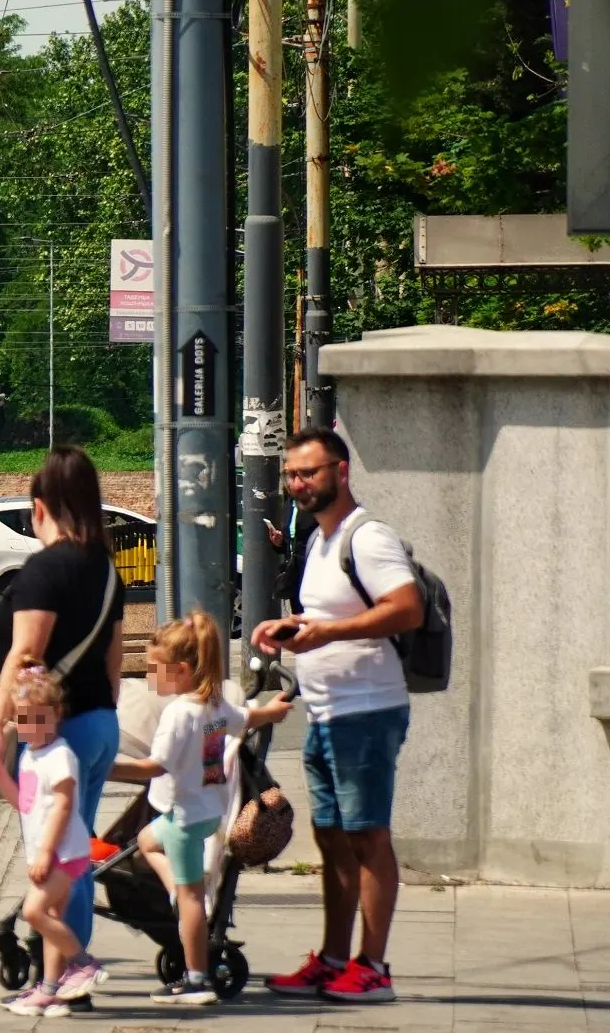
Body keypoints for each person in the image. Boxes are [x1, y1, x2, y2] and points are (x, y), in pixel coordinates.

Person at [252, 427, 423, 1004]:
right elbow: (327, 616)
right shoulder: (319, 540)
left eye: (310, 473)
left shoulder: (367, 537)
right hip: (325, 712)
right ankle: (332, 959)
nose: (298, 484)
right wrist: (292, 629)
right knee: (330, 838)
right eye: (292, 476)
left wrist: (326, 631)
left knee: (367, 835)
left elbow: (406, 609)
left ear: (341, 472)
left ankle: (373, 966)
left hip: (367, 712)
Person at [0, 447, 125, 962]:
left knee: (63, 858)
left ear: (40, 507)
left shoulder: (43, 569)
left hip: (63, 732)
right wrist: (103, 712)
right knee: (74, 848)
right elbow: (113, 657)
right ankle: (57, 966)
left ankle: (70, 974)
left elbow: (27, 651)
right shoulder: (105, 568)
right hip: (100, 722)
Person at [112, 611, 293, 1005]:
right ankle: (180, 891)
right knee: (146, 840)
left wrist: (105, 765)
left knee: (191, 899)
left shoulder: (180, 713)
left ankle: (196, 980)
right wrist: (274, 710)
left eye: (155, 669)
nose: (148, 677)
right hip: (207, 813)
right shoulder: (213, 705)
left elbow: (154, 766)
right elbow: (247, 717)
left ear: (179, 670)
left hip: (182, 817)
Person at [0, 666, 93, 1018]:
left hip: (64, 852)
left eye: (38, 718)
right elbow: (23, 803)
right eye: (24, 720)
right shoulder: (30, 755)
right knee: (51, 917)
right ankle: (51, 989)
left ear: (56, 715)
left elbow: (64, 803)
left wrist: (46, 852)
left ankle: (82, 964)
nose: (31, 726)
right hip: (50, 852)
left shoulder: (59, 754)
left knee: (33, 912)